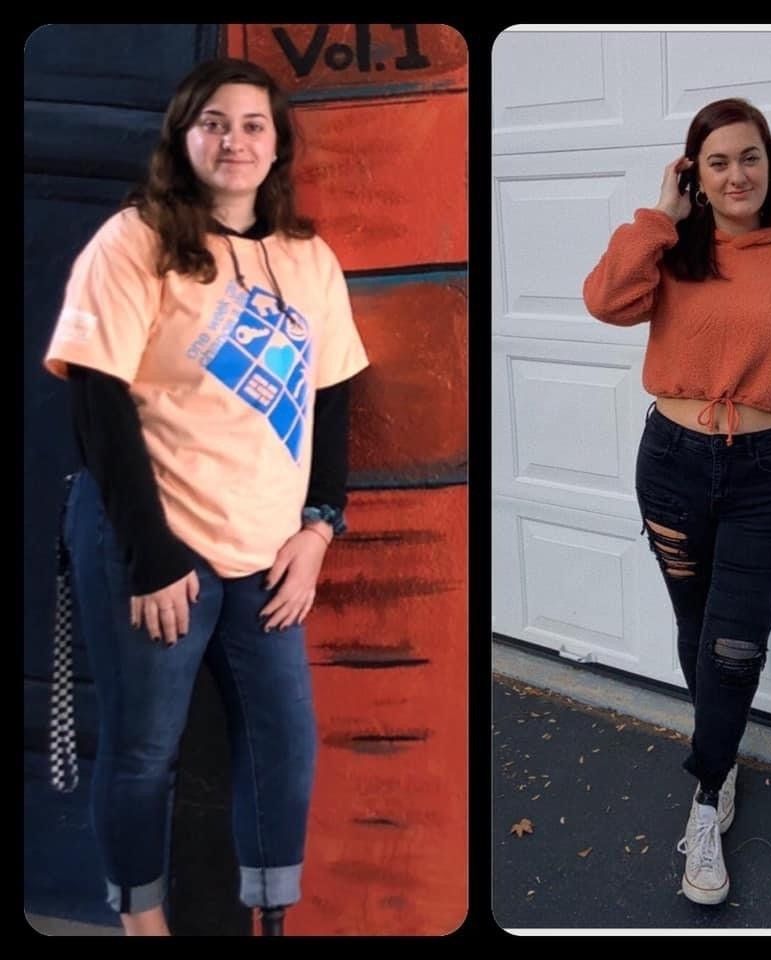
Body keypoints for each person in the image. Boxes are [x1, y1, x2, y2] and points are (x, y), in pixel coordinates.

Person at [44, 57, 369, 936]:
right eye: (214, 122)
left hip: (268, 552)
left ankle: (269, 918)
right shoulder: (133, 241)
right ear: (183, 138)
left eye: (253, 124)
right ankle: (140, 922)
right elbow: (97, 398)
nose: (234, 140)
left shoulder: (308, 258)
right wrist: (151, 557)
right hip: (153, 547)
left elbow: (334, 395)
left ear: (277, 146)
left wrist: (320, 527)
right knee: (146, 748)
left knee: (284, 747)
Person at [582, 98, 771, 906]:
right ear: (693, 177)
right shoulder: (670, 254)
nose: (736, 174)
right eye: (716, 162)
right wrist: (656, 218)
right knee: (697, 627)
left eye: (749, 157)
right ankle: (724, 751)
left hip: (764, 469)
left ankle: (706, 795)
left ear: (769, 166)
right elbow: (604, 300)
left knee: (737, 642)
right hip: (671, 462)